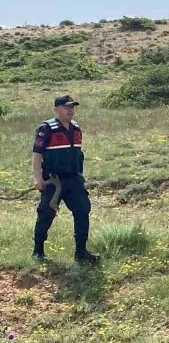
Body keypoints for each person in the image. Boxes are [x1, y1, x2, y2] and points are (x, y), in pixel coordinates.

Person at [31, 95, 99, 263]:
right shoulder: (46, 128)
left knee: (83, 210)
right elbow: (37, 154)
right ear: (56, 109)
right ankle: (38, 251)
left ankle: (81, 252)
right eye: (66, 107)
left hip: (74, 179)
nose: (70, 110)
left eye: (72, 107)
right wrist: (37, 177)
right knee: (46, 214)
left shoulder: (76, 128)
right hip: (53, 181)